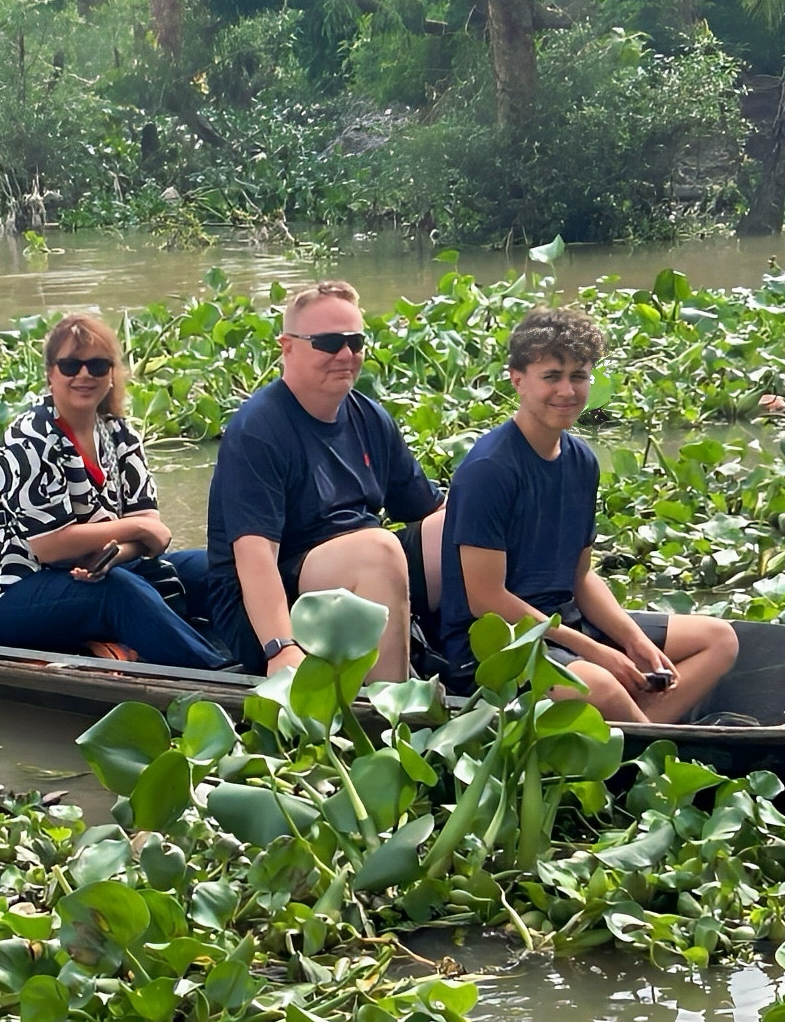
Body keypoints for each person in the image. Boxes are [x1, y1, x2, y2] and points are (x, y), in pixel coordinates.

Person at [438, 305, 738, 721]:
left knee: (719, 639)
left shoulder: (581, 461)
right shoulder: (490, 469)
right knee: (601, 685)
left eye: (578, 376)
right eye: (551, 376)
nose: (567, 391)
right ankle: (648, 738)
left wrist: (632, 639)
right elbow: (487, 599)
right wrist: (594, 651)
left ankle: (635, 727)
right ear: (517, 380)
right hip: (499, 645)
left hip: (567, 623)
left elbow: (580, 577)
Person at [206, 280, 443, 680]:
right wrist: (280, 647)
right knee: (378, 551)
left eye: (355, 342)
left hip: (362, 576)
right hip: (272, 603)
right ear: (287, 347)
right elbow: (255, 555)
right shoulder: (258, 429)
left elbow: (428, 507)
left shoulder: (371, 418)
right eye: (329, 343)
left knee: (463, 524)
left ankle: (468, 657)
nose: (345, 355)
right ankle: (391, 700)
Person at [0, 314, 225, 669]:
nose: (84, 375)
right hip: (16, 588)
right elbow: (50, 545)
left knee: (214, 567)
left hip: (105, 569)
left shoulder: (120, 434)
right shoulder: (29, 437)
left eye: (98, 365)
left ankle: (271, 657)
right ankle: (217, 676)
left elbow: (153, 531)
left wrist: (111, 555)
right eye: (71, 366)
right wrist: (135, 531)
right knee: (117, 592)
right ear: (51, 373)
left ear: (111, 373)